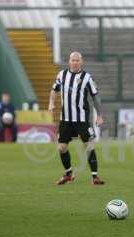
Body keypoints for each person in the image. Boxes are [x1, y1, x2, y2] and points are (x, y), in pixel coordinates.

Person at [48, 51, 105, 185]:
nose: (75, 62)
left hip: (82, 119)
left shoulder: (87, 77)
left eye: (77, 60)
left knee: (89, 145)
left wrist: (100, 115)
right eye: (73, 60)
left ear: (81, 62)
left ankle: (95, 176)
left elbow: (95, 97)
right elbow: (54, 90)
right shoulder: (61, 75)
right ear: (69, 61)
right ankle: (68, 174)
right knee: (61, 148)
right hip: (66, 119)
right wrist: (51, 102)